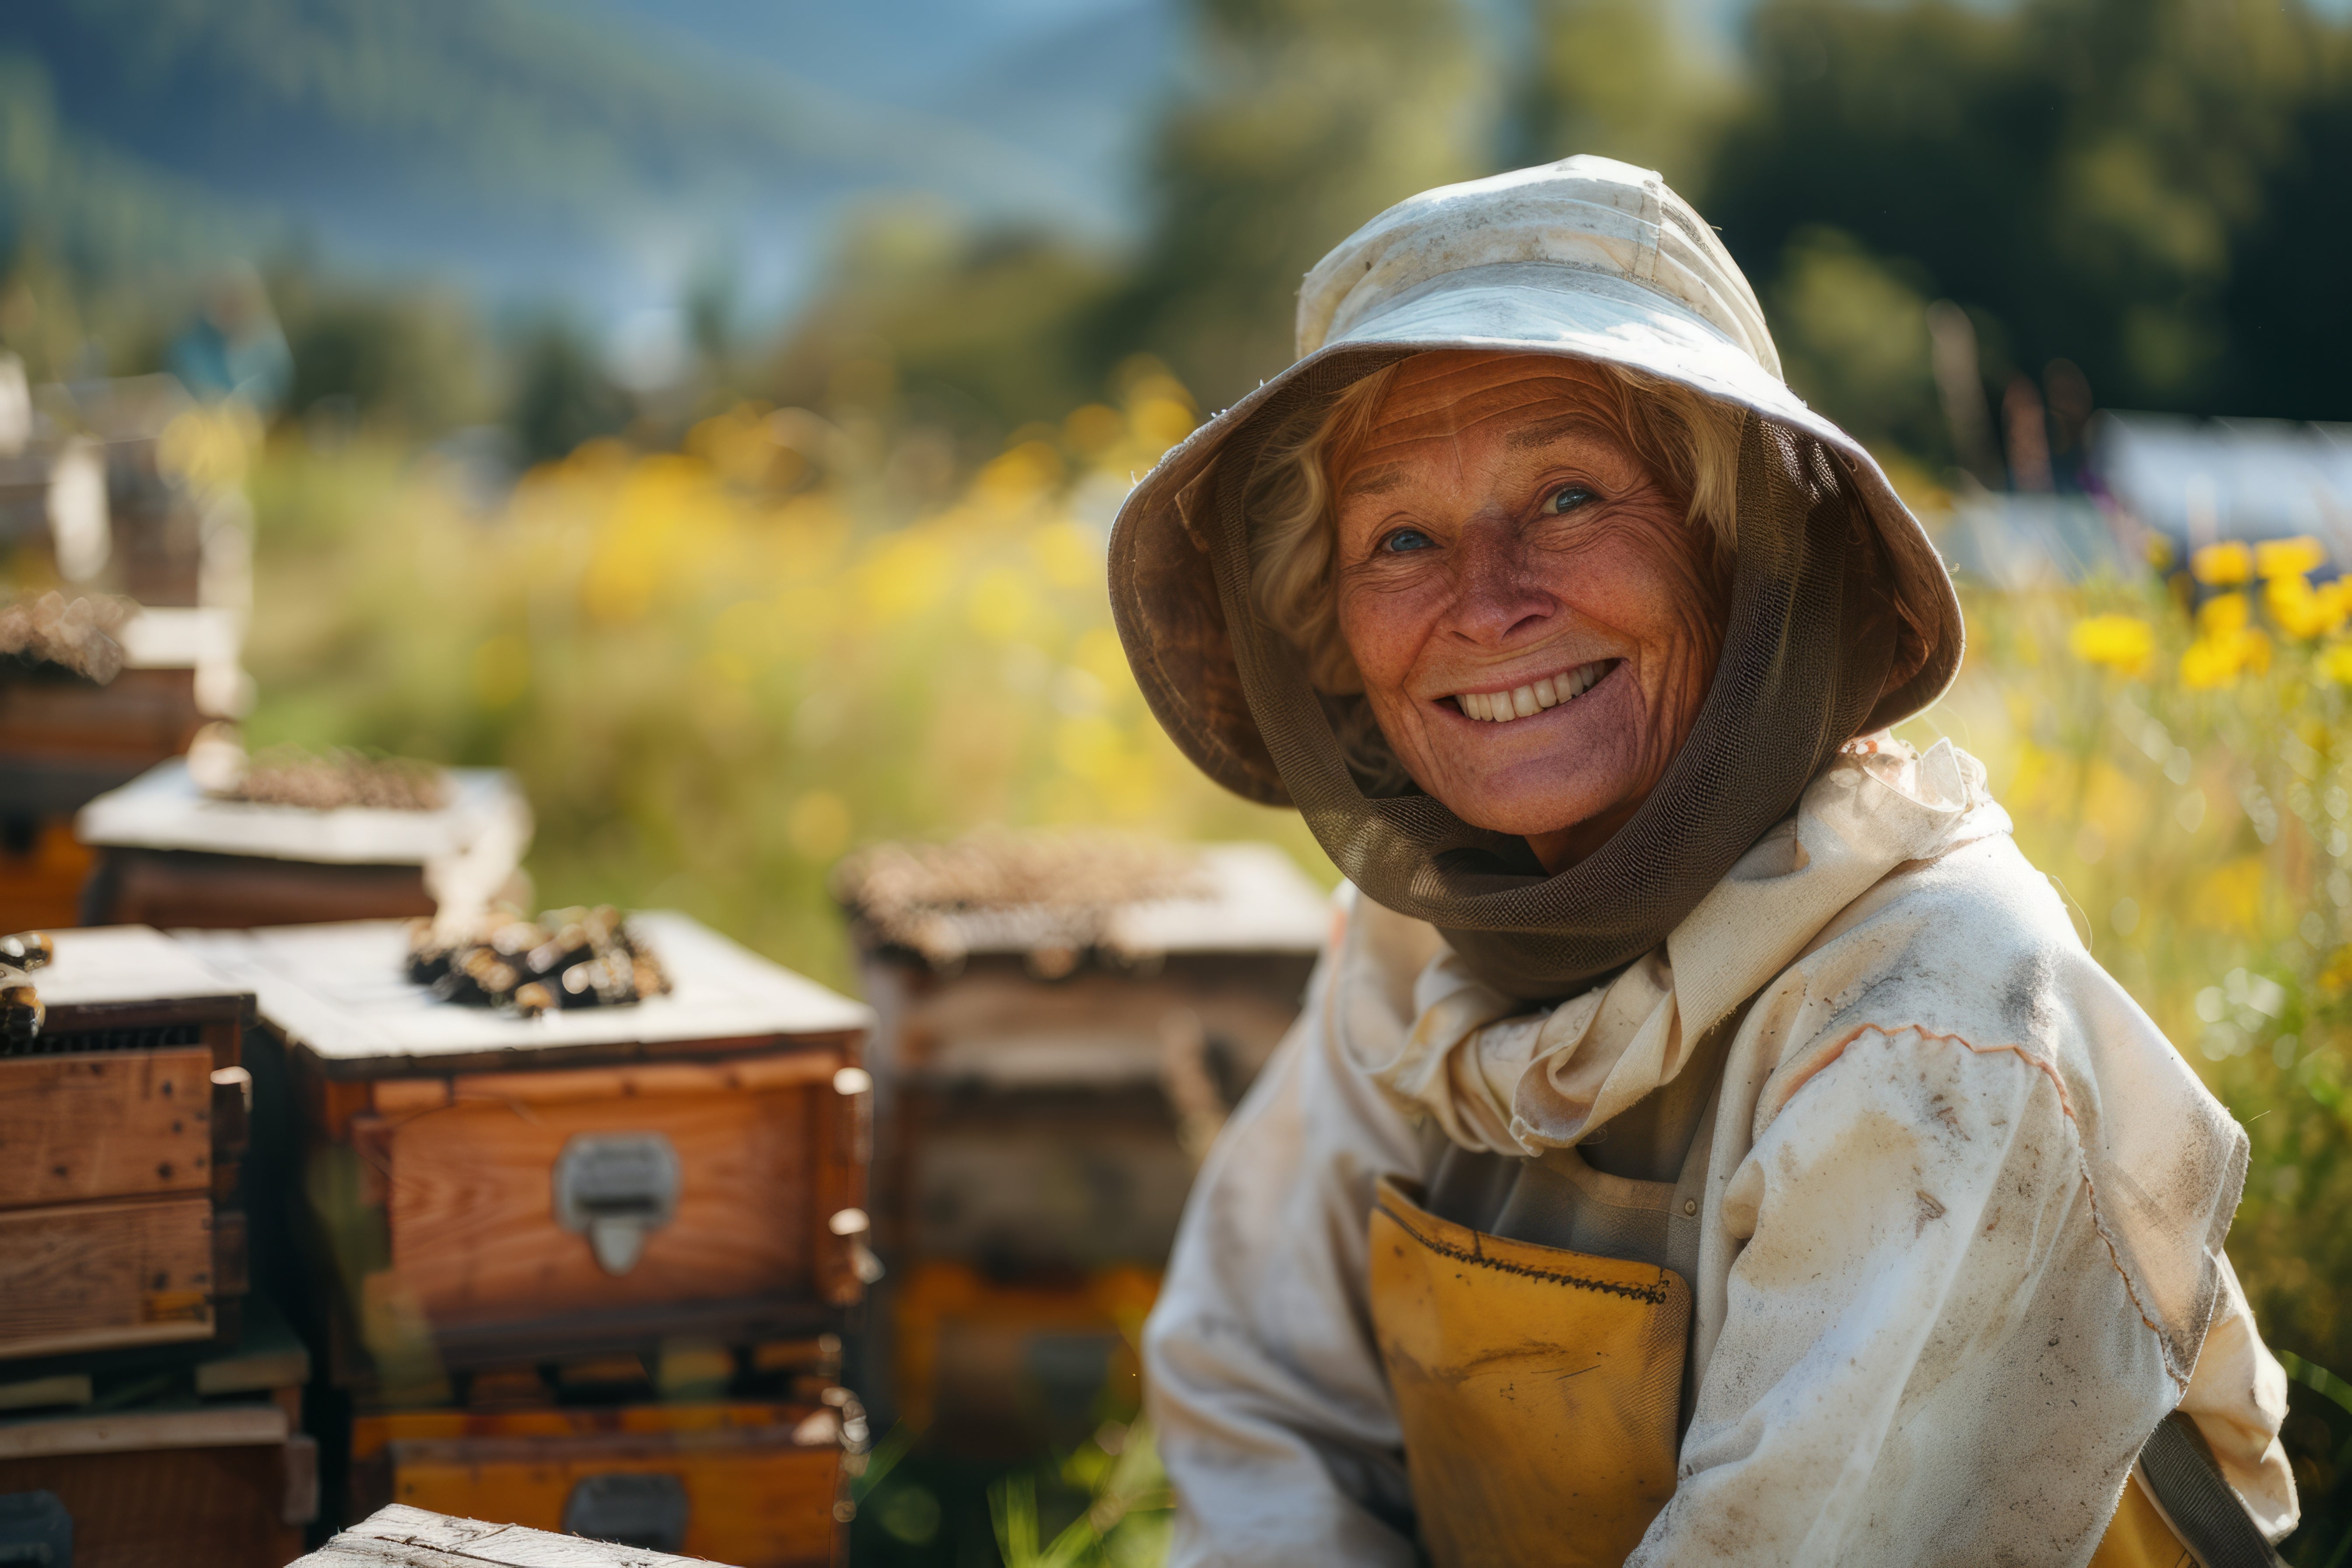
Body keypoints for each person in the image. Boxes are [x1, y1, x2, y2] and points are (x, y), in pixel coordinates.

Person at [1108, 157, 2297, 1567]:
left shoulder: (1939, 1009)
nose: (1487, 605)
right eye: (1403, 536)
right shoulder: (1409, 957)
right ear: (1334, 637)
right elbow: (1258, 1402)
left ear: (1750, 554)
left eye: (1567, 498)